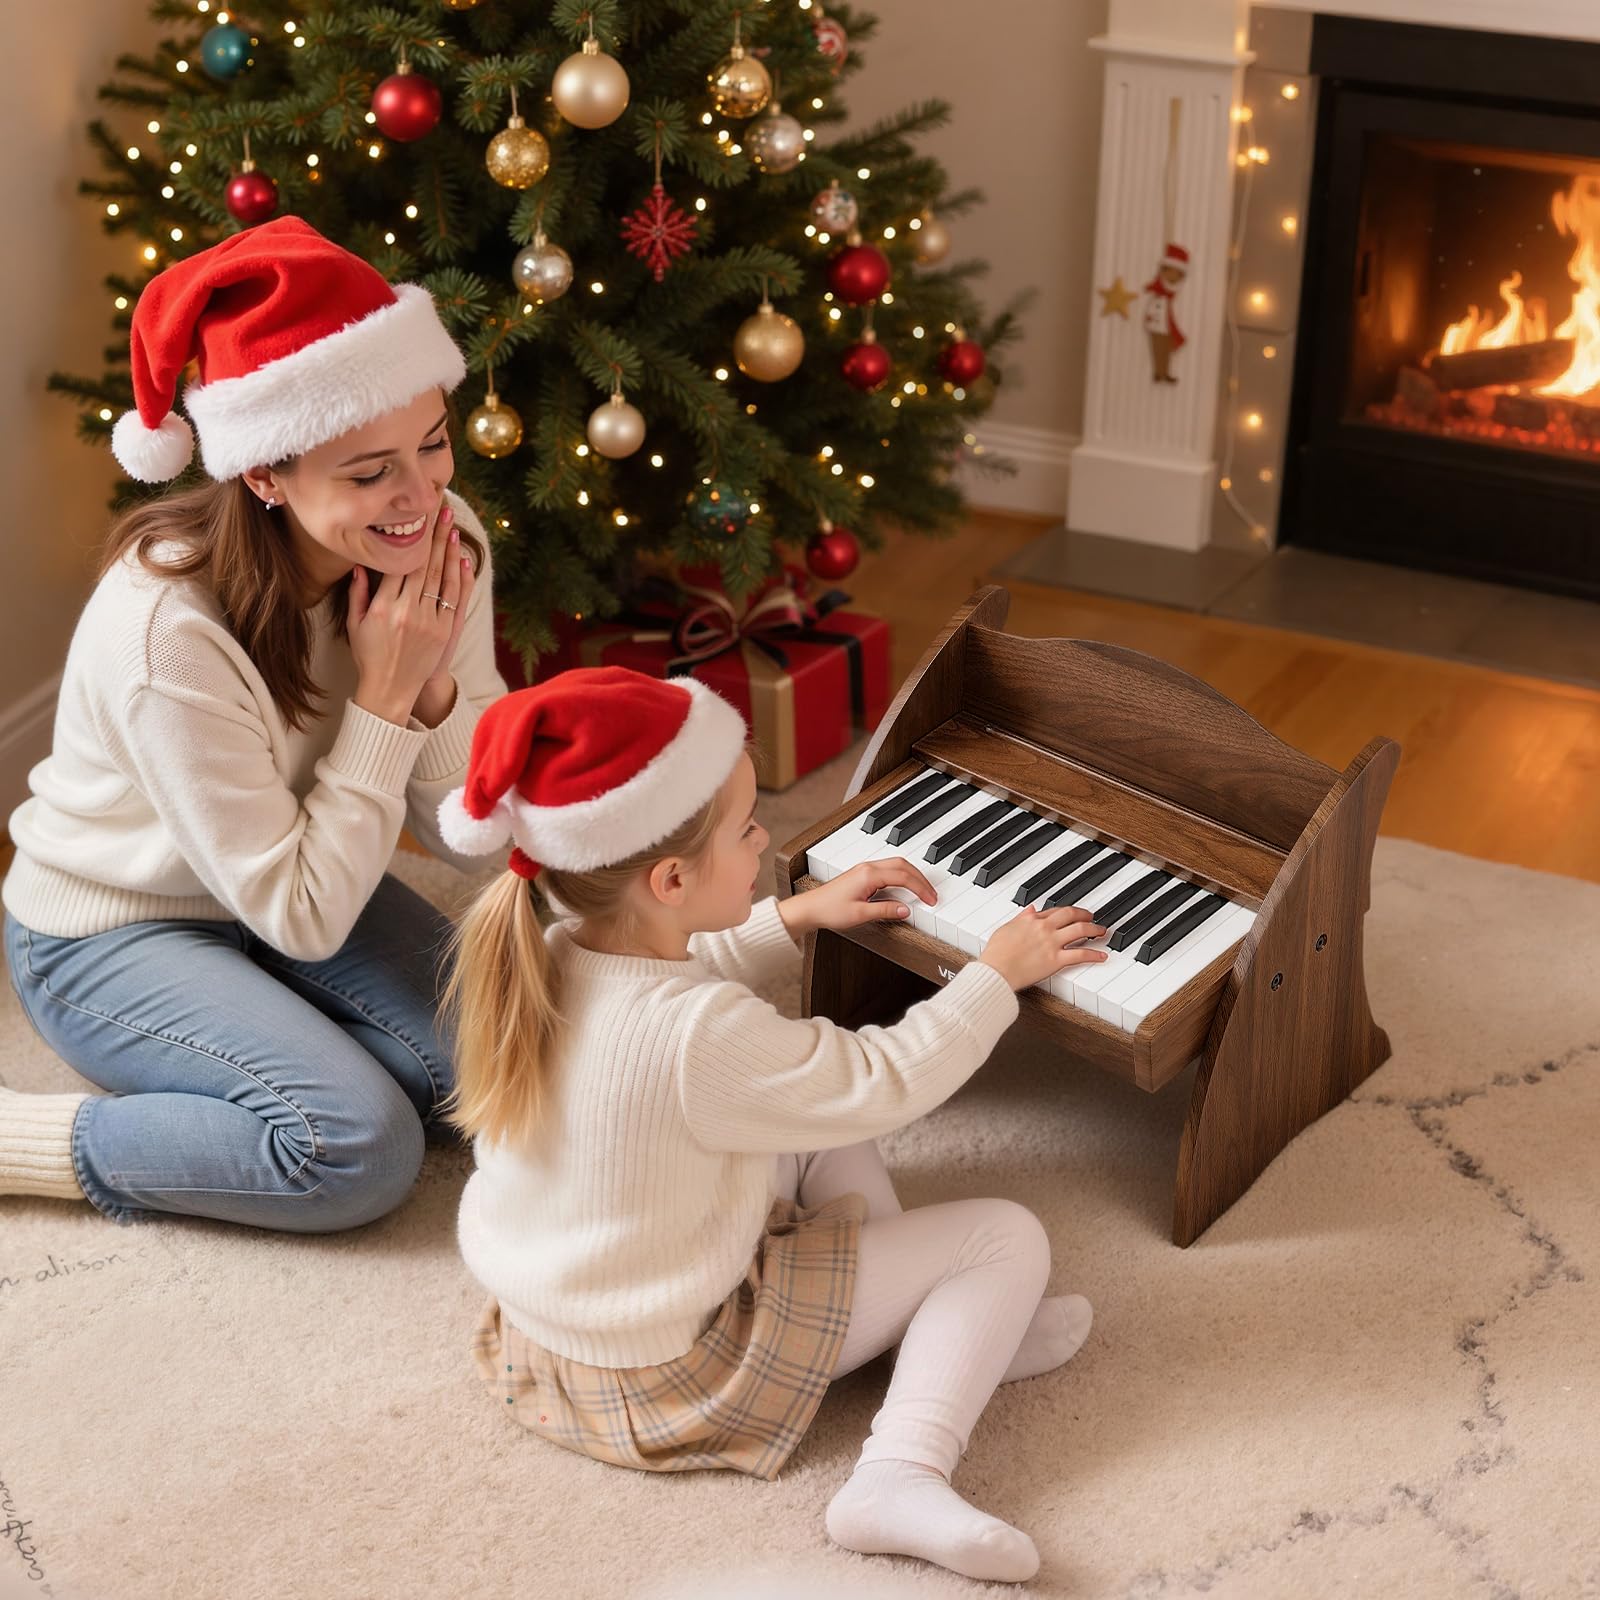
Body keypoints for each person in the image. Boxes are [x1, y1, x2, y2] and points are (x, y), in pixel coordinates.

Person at [437, 666, 1106, 1585]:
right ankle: (898, 1476)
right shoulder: (698, 1037)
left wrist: (788, 916)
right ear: (670, 877)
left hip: (563, 1329)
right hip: (672, 1368)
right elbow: (886, 1077)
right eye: (749, 830)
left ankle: (926, 1330)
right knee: (1003, 1236)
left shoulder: (549, 950)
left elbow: (680, 963)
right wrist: (997, 974)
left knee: (814, 1119)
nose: (766, 842)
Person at [0, 216, 506, 1231]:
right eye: (369, 471)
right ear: (266, 475)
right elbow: (303, 916)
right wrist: (380, 702)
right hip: (112, 926)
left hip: (295, 871)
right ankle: (20, 1139)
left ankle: (294, 1045)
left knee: (506, 1071)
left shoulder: (442, 551)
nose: (421, 494)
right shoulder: (164, 633)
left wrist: (435, 690)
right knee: (358, 1147)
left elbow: (471, 832)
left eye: (433, 442)